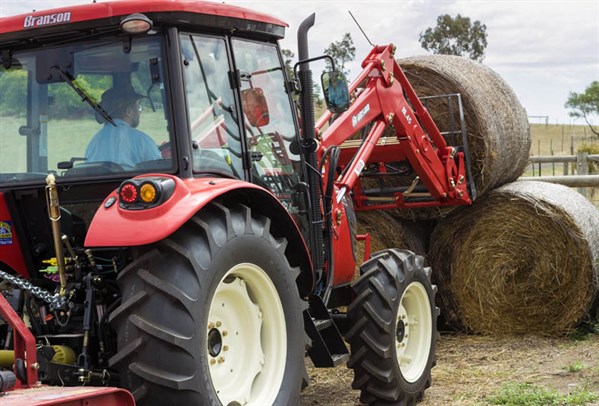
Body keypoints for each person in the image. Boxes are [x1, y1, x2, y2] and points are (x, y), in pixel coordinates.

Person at [85, 87, 161, 168]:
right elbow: (159, 172)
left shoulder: (94, 142)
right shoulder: (143, 141)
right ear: (129, 111)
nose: (139, 112)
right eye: (139, 107)